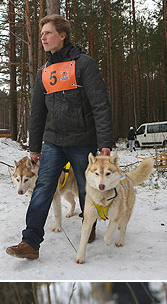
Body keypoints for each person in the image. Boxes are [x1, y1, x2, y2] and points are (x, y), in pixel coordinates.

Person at [6, 13, 113, 260]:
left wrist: (105, 143)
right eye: (41, 33)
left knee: (86, 189)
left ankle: (90, 224)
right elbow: (37, 111)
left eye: (48, 33)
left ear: (62, 35)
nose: (43, 37)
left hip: (83, 139)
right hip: (53, 140)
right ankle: (30, 242)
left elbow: (100, 105)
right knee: (43, 187)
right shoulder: (44, 71)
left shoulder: (84, 64)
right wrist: (34, 147)